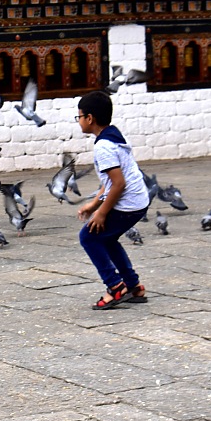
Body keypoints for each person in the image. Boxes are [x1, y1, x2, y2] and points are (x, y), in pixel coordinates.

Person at [76, 91, 150, 310]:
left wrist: (101, 213)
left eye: (79, 116)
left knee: (88, 237)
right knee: (106, 239)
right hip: (138, 201)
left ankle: (116, 287)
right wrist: (94, 203)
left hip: (128, 204)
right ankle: (134, 286)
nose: (78, 121)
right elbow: (110, 183)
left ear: (90, 118)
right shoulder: (112, 135)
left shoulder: (103, 147)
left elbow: (118, 184)